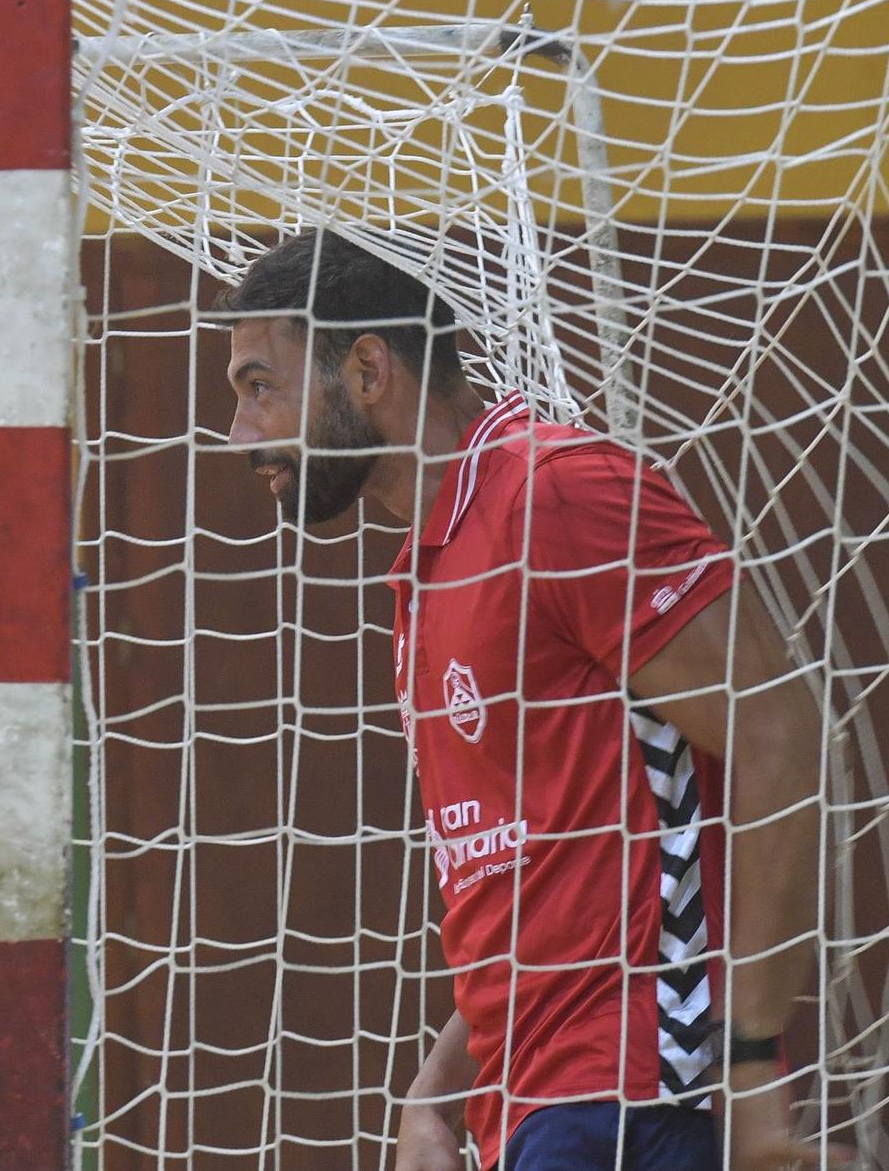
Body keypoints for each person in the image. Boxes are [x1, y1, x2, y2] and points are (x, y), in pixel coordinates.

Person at [215, 231, 836, 1171]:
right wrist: (438, 1091)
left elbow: (782, 734)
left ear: (369, 368)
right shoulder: (424, 575)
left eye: (260, 386)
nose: (241, 433)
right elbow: (538, 893)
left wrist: (748, 1066)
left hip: (634, 1094)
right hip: (538, 1104)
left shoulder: (559, 491)